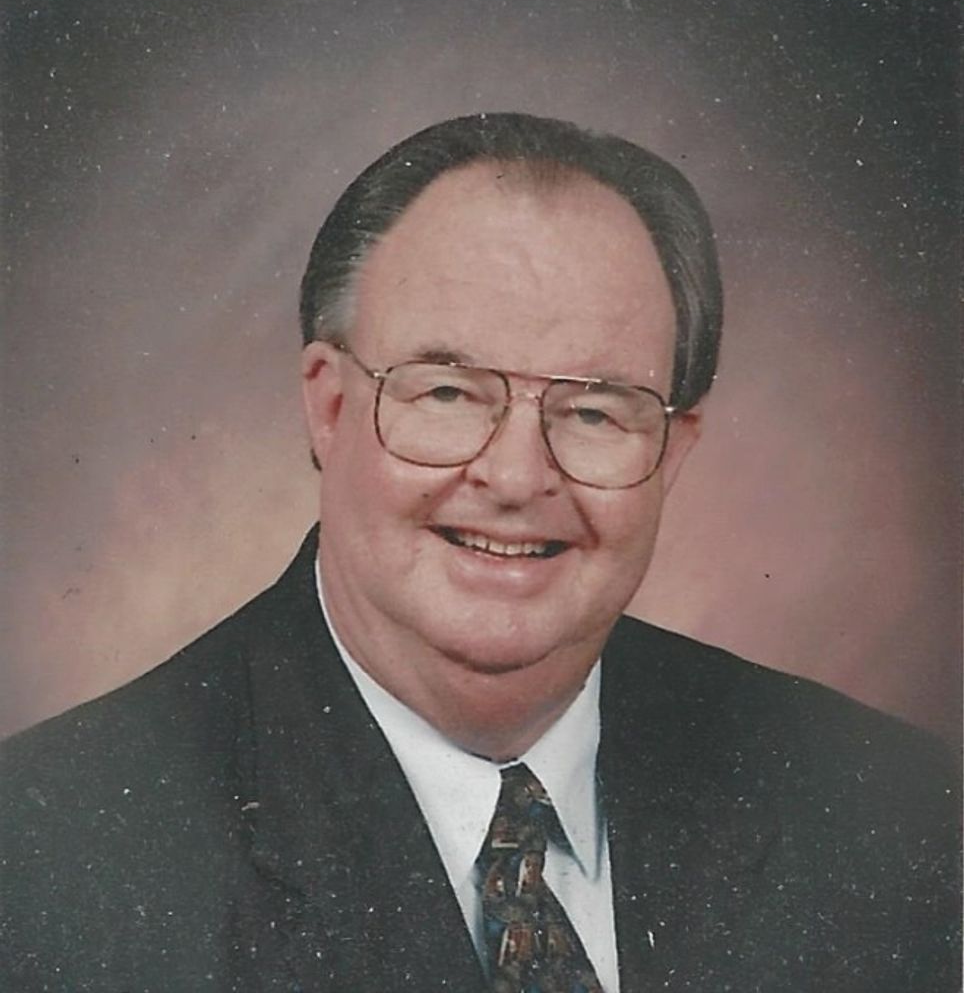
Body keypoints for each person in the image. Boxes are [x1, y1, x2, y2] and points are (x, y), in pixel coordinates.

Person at [1, 113, 958, 992]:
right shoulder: (47, 867)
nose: (515, 476)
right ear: (329, 407)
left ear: (672, 454)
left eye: (595, 411)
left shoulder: (899, 815)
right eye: (448, 393)